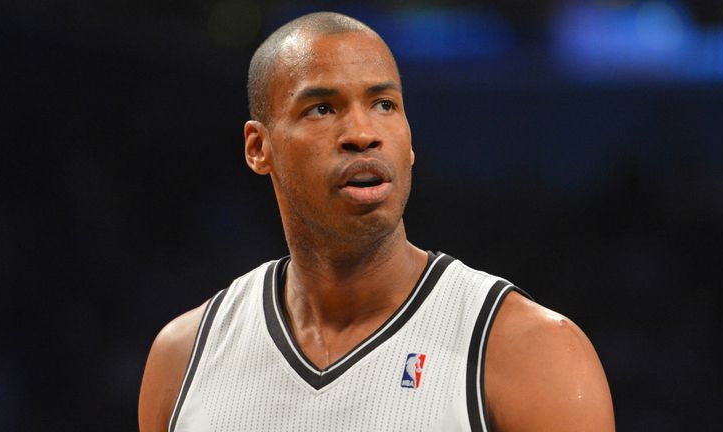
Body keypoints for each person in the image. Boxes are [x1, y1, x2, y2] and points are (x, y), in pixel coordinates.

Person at [138, 11, 614, 432]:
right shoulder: (184, 357)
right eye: (322, 108)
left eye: (384, 104)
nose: (363, 134)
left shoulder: (531, 352)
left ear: (409, 143)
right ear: (258, 148)